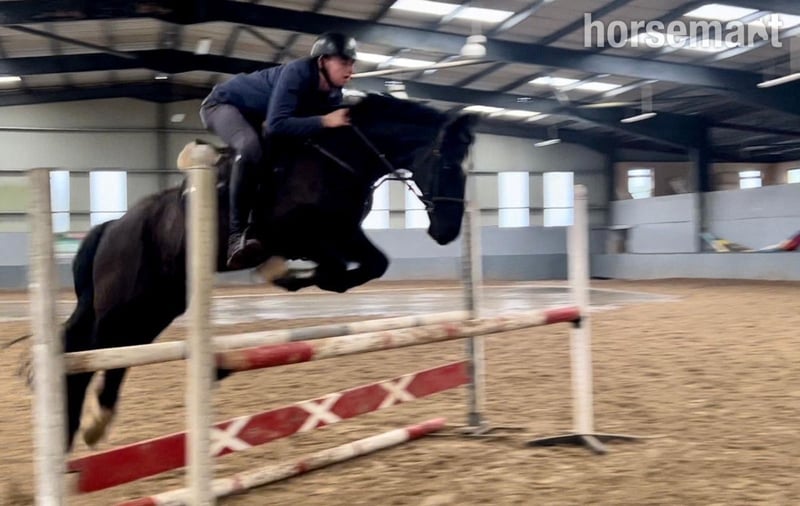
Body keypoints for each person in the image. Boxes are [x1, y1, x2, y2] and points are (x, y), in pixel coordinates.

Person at [200, 32, 356, 269]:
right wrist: (325, 120)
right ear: (322, 61)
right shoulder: (297, 73)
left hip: (259, 116)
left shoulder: (334, 93)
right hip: (222, 105)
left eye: (352, 63)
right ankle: (236, 236)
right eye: (344, 62)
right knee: (250, 147)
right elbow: (277, 125)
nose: (350, 70)